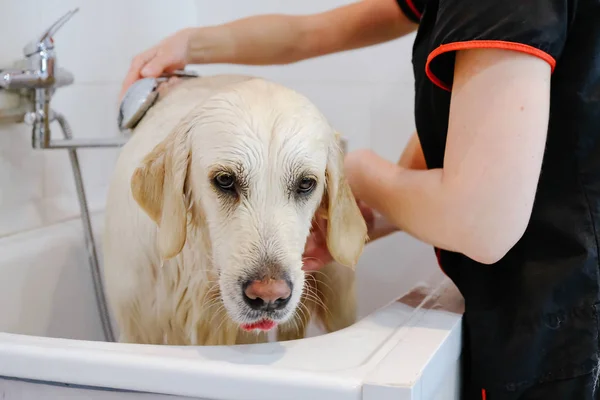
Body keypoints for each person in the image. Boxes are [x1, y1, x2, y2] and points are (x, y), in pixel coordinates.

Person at [120, 0, 600, 398]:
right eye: (225, 183)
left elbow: (483, 223)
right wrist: (185, 45)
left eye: (305, 185)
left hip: (565, 312)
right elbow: (311, 34)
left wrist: (362, 174)